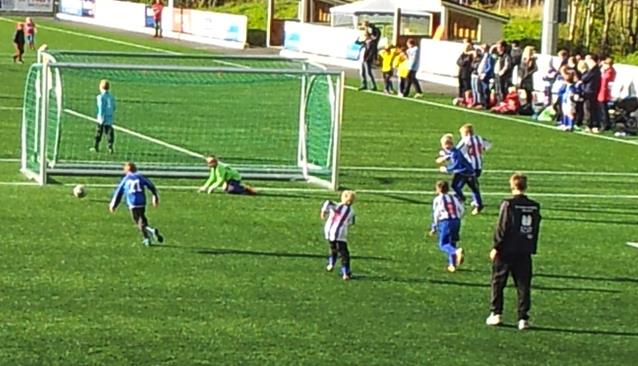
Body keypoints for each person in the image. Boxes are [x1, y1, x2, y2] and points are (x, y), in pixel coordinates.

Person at [486, 173, 541, 330]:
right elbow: (535, 227)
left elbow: (502, 227)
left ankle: (496, 313)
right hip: (524, 249)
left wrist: (496, 246)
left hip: (506, 250)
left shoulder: (508, 204)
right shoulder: (534, 205)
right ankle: (523, 318)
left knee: (498, 281)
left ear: (512, 186)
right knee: (523, 284)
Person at [109, 161, 164, 247]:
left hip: (133, 203)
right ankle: (148, 236)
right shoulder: (140, 177)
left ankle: (149, 235)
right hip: (142, 202)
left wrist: (113, 204)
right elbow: (151, 185)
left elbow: (119, 193)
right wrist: (155, 196)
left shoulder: (126, 179)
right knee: (142, 220)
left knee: (138, 222)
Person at [436, 133, 483, 215]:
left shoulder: (455, 153)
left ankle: (475, 204)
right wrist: (444, 156)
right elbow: (450, 154)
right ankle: (462, 198)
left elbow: (456, 164)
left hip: (467, 173)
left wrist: (446, 169)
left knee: (474, 189)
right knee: (455, 185)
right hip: (463, 172)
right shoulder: (453, 151)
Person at [428, 180, 465, 273]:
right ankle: (452, 264)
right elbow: (461, 209)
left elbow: (436, 213)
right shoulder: (454, 198)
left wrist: (434, 227)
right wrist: (458, 218)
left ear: (439, 189)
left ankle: (456, 252)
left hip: (445, 221)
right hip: (456, 220)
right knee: (452, 242)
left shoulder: (437, 199)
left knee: (443, 244)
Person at [320, 190, 356, 280]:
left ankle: (331, 264)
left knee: (333, 248)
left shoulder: (337, 205)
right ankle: (345, 273)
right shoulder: (351, 211)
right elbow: (351, 222)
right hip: (340, 234)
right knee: (344, 253)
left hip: (329, 231)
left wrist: (323, 212)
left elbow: (328, 202)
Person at [91, 79, 116, 154]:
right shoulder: (111, 97)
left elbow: (101, 107)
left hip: (102, 118)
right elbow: (114, 107)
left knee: (99, 133)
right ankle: (110, 146)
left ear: (101, 87)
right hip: (109, 118)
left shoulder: (100, 97)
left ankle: (96, 147)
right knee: (109, 133)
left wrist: (101, 118)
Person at [581, 55, 602, 133]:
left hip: (590, 91)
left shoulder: (594, 70)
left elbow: (584, 78)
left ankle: (590, 125)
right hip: (591, 91)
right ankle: (592, 124)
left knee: (589, 108)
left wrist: (584, 72)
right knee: (590, 108)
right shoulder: (594, 70)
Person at [598, 57, 616, 131]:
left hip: (604, 91)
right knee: (603, 108)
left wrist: (602, 71)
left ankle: (605, 124)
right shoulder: (608, 71)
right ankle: (605, 123)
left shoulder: (610, 71)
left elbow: (605, 79)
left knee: (603, 109)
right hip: (602, 91)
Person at [476, 44, 493, 109]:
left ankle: (486, 104)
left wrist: (485, 73)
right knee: (480, 89)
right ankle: (481, 103)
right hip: (479, 74)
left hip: (484, 75)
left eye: (483, 48)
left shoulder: (489, 57)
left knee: (485, 89)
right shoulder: (482, 56)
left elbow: (490, 67)